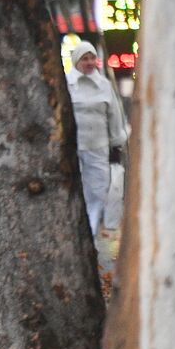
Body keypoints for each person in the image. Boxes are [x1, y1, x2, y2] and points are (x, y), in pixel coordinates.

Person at [66, 40, 129, 238]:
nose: (90, 62)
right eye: (85, 58)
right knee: (80, 192)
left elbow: (114, 115)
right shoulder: (67, 84)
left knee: (99, 192)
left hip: (98, 147)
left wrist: (117, 142)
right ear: (77, 61)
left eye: (92, 58)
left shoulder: (104, 85)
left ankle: (91, 233)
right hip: (74, 148)